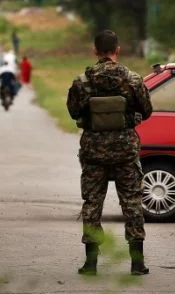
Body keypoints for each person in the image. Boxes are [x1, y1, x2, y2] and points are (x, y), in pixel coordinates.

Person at [66, 30, 153, 276]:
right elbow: (146, 111)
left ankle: (91, 263)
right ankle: (137, 263)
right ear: (117, 50)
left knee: (92, 204)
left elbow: (73, 112)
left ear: (95, 51)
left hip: (94, 152)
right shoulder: (133, 79)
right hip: (126, 151)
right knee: (132, 203)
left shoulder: (82, 81)